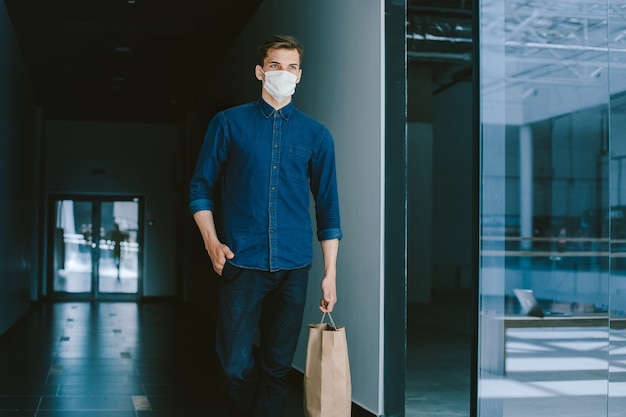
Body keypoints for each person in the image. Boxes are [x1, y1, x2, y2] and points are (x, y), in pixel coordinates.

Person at [189, 34, 342, 417]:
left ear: (300, 76)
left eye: (292, 67)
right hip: (241, 263)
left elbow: (328, 209)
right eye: (276, 65)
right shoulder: (228, 124)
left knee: (277, 370)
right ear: (260, 71)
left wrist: (331, 274)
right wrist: (211, 242)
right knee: (234, 366)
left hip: (294, 266)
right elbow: (200, 186)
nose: (283, 73)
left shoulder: (317, 135)